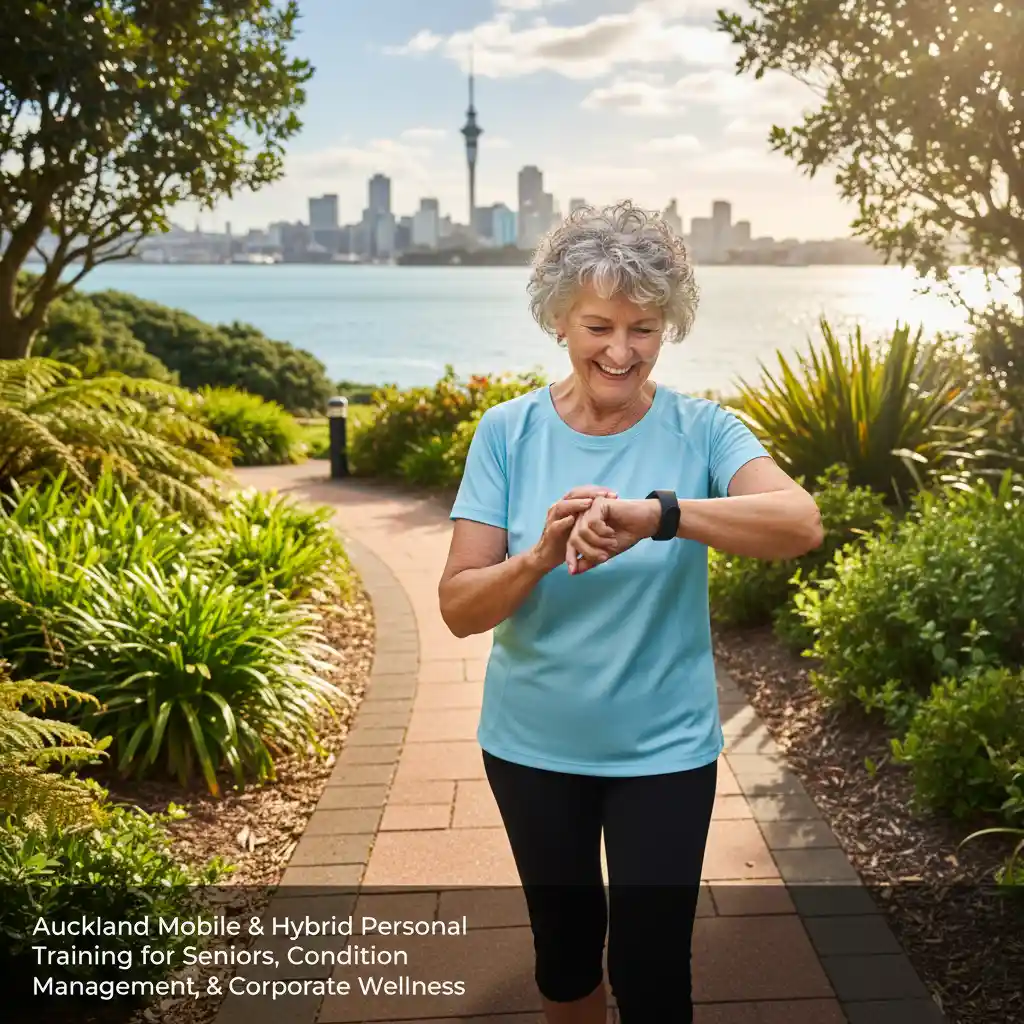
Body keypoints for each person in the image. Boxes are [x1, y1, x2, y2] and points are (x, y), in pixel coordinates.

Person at [437, 200, 823, 1024]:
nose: (620, 351)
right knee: (566, 955)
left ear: (668, 327)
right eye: (598, 325)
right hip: (533, 748)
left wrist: (662, 514)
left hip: (664, 752)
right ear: (559, 321)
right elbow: (460, 607)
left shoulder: (704, 430)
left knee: (653, 971)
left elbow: (800, 522)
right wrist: (539, 556)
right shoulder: (506, 433)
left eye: (643, 328)